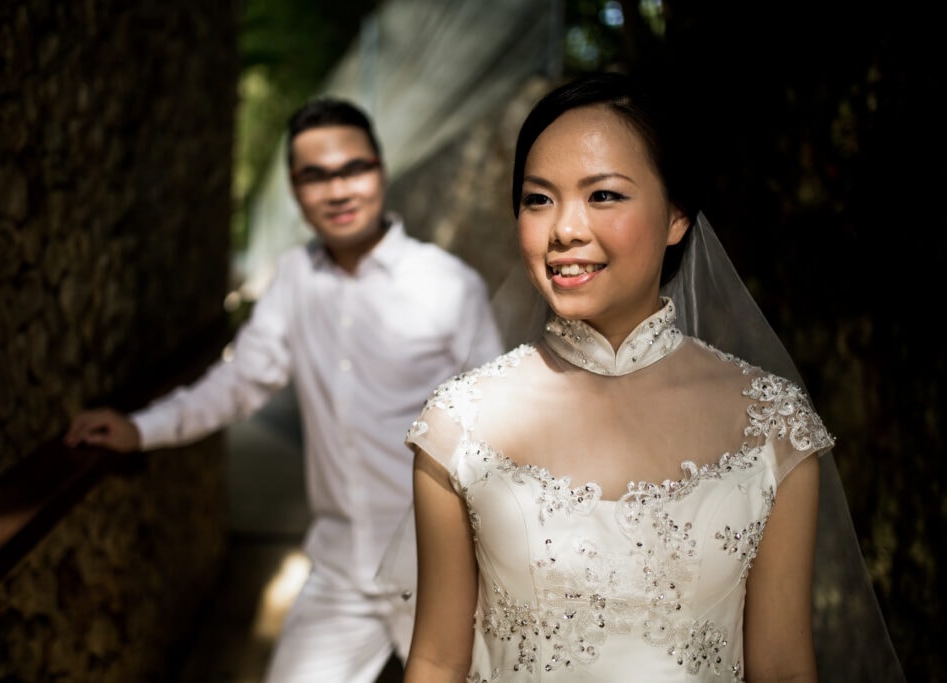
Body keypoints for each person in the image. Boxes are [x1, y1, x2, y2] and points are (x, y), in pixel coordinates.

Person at [401, 72, 903, 682]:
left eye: (604, 195)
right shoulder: (459, 423)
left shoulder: (773, 427)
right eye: (539, 198)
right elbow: (435, 659)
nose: (565, 229)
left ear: (676, 216)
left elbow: (783, 668)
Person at [65, 97, 504, 683]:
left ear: (380, 169)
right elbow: (240, 382)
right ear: (296, 190)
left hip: (444, 568)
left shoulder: (449, 284)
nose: (338, 189)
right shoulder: (294, 278)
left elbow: (505, 426)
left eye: (353, 168)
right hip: (341, 570)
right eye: (315, 176)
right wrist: (140, 428)